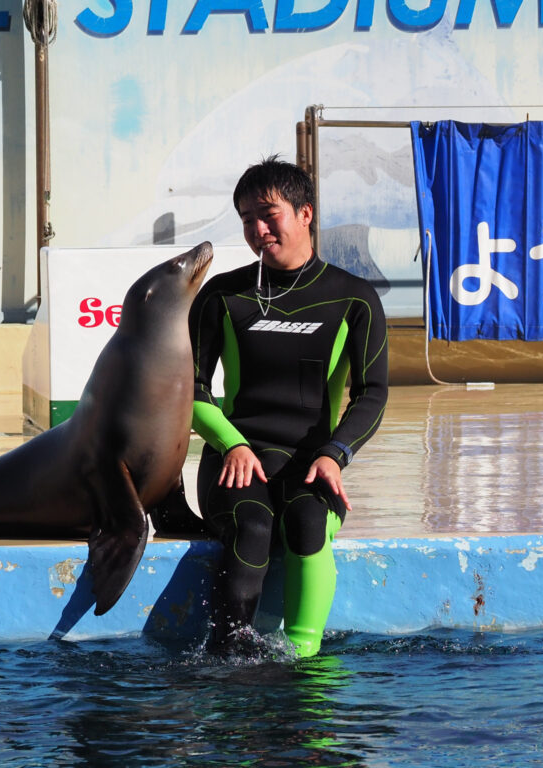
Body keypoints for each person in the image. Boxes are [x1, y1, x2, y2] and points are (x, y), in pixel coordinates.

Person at [189, 156, 388, 657]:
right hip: (236, 459)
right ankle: (228, 657)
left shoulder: (353, 298)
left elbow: (373, 392)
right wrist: (230, 443)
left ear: (305, 213)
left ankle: (302, 662)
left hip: (311, 461)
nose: (257, 230)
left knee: (306, 522)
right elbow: (188, 387)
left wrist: (335, 453)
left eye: (268, 214)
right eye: (246, 220)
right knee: (253, 526)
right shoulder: (223, 295)